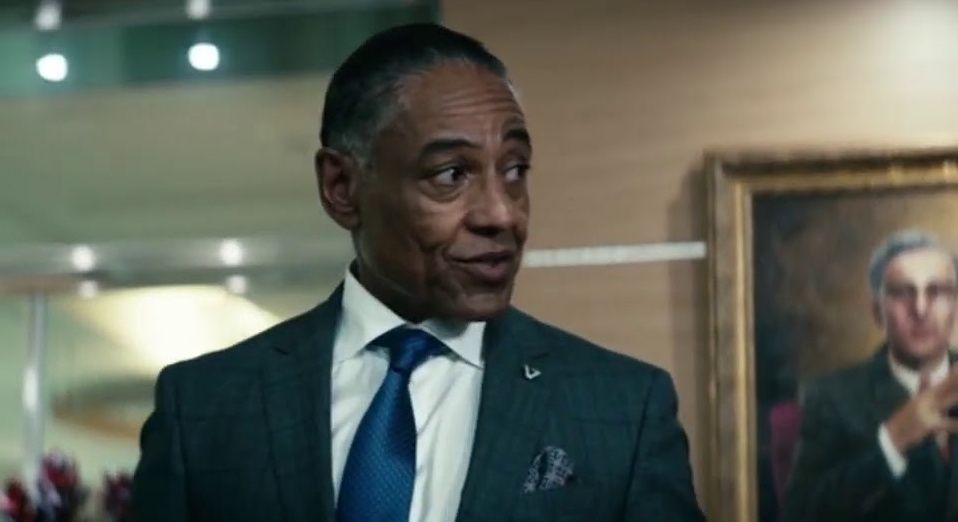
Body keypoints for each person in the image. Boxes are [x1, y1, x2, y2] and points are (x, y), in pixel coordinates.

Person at [130, 23, 705, 522]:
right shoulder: (204, 409)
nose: (502, 214)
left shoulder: (621, 410)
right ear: (341, 187)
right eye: (451, 174)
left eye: (515, 170)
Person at [783, 230, 958, 522]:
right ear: (877, 311)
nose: (920, 310)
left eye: (937, 292)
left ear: (957, 308)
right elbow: (800, 514)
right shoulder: (831, 396)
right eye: (902, 293)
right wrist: (892, 441)